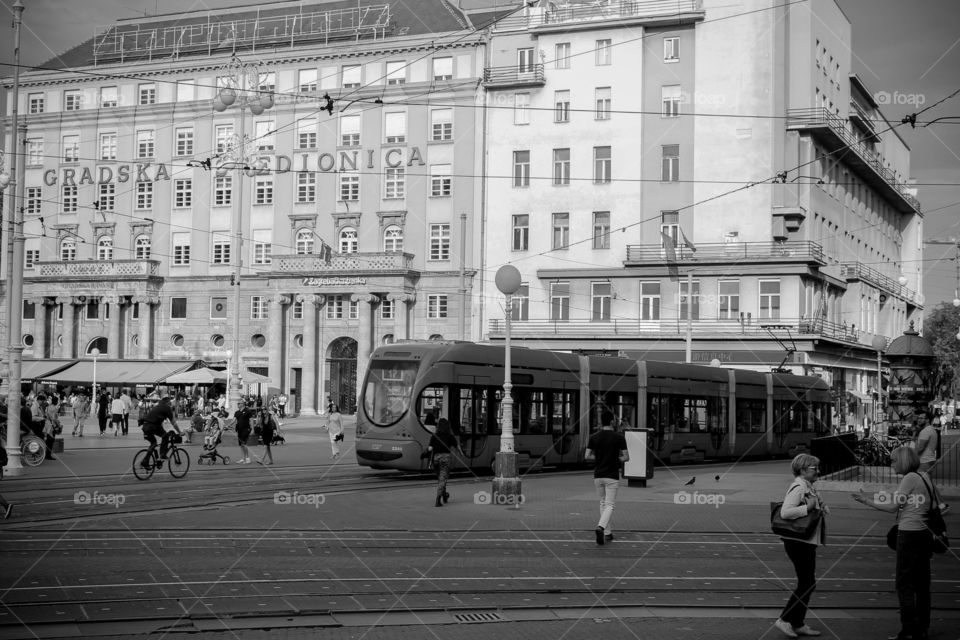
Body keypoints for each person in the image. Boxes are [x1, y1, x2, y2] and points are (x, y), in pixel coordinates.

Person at [852, 446, 937, 640]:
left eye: (893, 461)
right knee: (922, 584)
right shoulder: (924, 477)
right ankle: (922, 627)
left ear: (903, 461)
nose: (891, 464)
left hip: (909, 533)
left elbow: (892, 507)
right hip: (924, 534)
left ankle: (909, 630)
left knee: (904, 584)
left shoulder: (909, 478)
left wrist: (866, 501)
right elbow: (930, 504)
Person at [773, 454, 826, 638]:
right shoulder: (798, 487)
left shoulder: (808, 486)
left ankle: (797, 623)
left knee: (808, 582)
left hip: (806, 542)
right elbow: (786, 512)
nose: (818, 471)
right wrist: (809, 508)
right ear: (803, 470)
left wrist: (820, 506)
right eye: (814, 468)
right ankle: (785, 619)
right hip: (798, 543)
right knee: (807, 583)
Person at [584, 413, 629, 545]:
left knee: (602, 503)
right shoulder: (619, 438)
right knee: (610, 504)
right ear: (611, 421)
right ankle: (601, 527)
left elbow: (587, 456)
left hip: (598, 475)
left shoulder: (594, 437)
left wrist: (599, 459)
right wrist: (615, 460)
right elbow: (626, 457)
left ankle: (607, 533)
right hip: (612, 475)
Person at [426, 418, 460, 507]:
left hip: (436, 459)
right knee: (443, 479)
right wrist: (462, 453)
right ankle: (438, 499)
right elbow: (457, 446)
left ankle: (445, 495)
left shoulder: (434, 435)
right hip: (446, 458)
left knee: (441, 478)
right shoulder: (450, 436)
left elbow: (430, 449)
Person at [140, 396, 178, 467]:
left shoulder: (158, 406)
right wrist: (180, 432)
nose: (170, 404)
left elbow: (159, 423)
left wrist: (163, 431)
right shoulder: (166, 408)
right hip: (151, 427)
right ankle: (162, 455)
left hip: (145, 426)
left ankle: (146, 461)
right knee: (165, 436)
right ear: (167, 402)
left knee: (153, 443)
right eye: (170, 402)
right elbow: (173, 423)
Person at [43, 395, 62, 461]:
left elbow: (46, 415)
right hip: (52, 425)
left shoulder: (48, 407)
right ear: (56, 402)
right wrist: (58, 424)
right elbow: (54, 418)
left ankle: (46, 454)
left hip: (47, 424)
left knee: (48, 440)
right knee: (51, 440)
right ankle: (48, 455)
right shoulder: (54, 408)